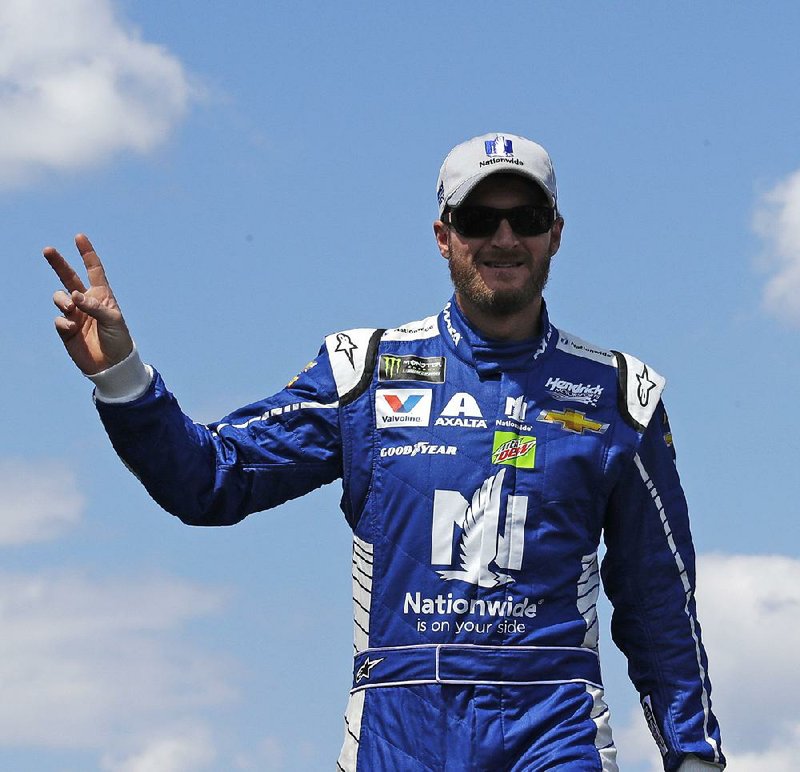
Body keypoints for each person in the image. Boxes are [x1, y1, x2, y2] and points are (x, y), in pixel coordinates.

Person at [43, 132, 725, 771]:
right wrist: (123, 376)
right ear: (443, 236)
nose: (504, 237)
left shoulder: (618, 393)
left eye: (527, 215)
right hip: (398, 729)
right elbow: (211, 481)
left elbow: (657, 593)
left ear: (556, 233)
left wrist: (692, 753)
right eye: (480, 218)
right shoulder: (363, 374)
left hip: (551, 725)